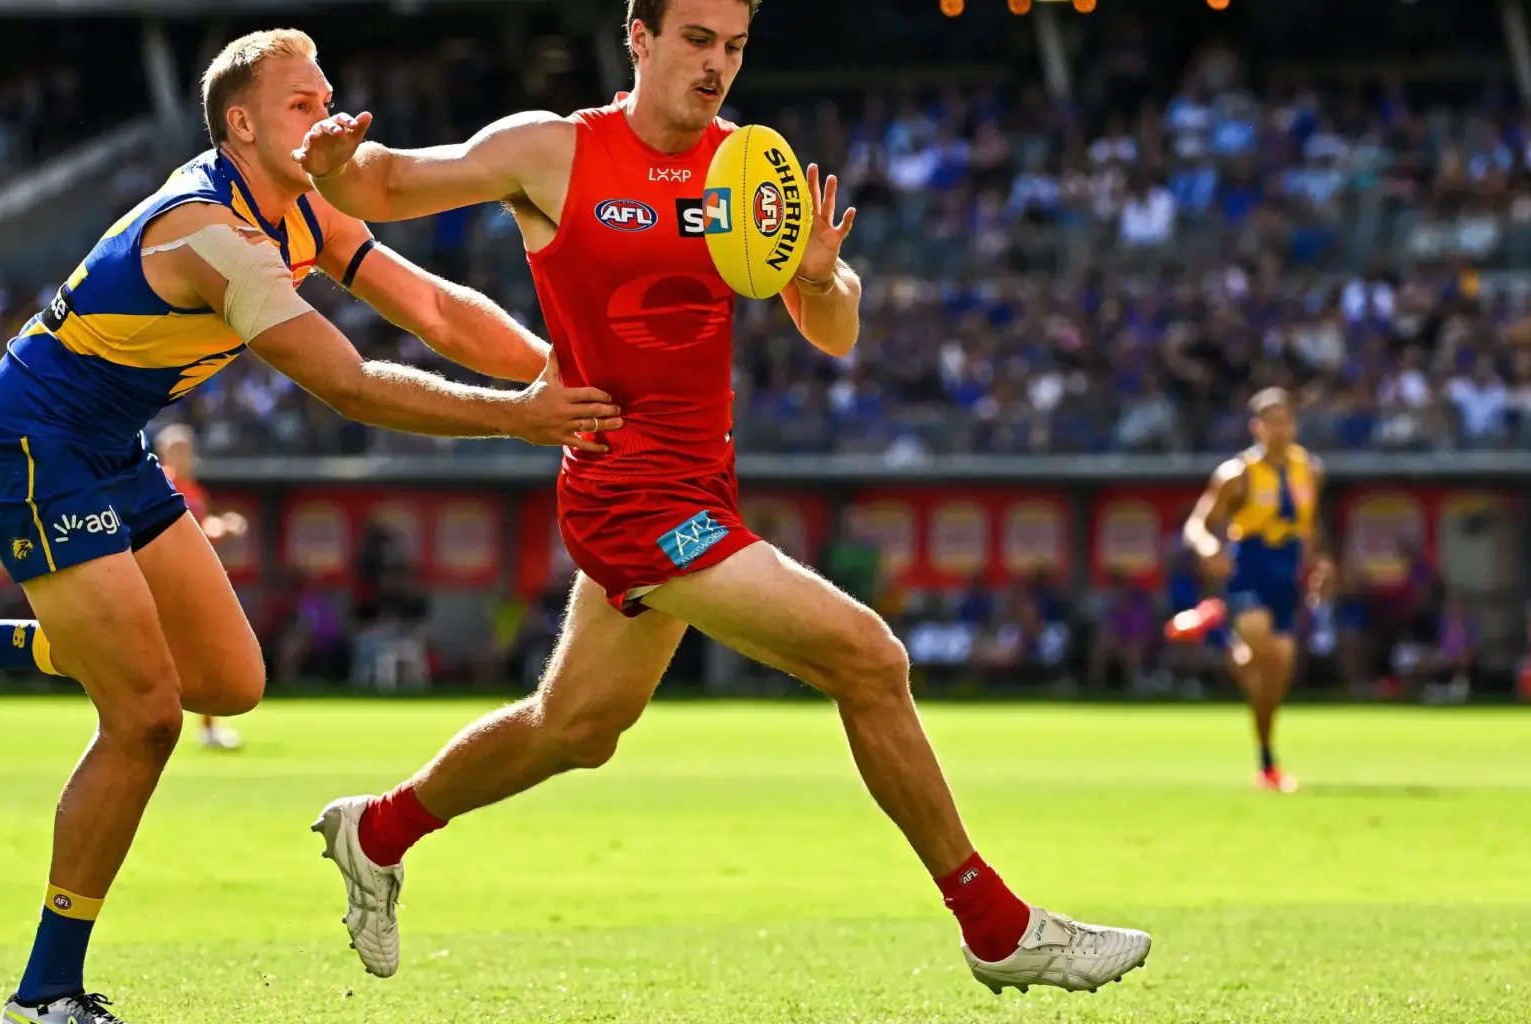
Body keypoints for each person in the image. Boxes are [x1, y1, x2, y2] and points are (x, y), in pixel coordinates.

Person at [296, 0, 1150, 996]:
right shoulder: (554, 151)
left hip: (699, 487)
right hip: (628, 496)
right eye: (697, 40)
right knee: (870, 659)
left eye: (735, 46)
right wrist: (333, 168)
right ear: (641, 37)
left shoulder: (747, 166)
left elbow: (833, 330)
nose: (717, 65)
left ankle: (378, 828)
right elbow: (391, 183)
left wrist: (826, 281)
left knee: (578, 728)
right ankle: (995, 923)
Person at [0, 29, 623, 1024]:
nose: (325, 114)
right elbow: (349, 384)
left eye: (328, 93)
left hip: (109, 442)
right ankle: (44, 992)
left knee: (229, 681)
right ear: (241, 124)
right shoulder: (211, 235)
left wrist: (561, 375)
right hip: (32, 446)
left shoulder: (303, 207)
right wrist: (523, 417)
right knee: (145, 712)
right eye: (299, 102)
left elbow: (437, 313)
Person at [1176, 387, 1330, 793]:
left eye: (1286, 421)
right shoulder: (1237, 474)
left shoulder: (1309, 470)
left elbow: (1311, 526)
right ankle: (1227, 633)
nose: (1280, 431)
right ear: (1256, 427)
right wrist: (1209, 547)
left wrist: (1319, 564)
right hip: (1250, 567)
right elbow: (1196, 524)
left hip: (1287, 569)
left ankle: (1266, 758)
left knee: (1278, 668)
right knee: (1265, 645)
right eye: (1271, 422)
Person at [151, 422, 248, 750]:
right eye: (179, 448)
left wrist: (223, 526)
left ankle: (206, 727)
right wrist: (221, 528)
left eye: (188, 448)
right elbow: (183, 530)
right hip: (166, 582)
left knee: (204, 653)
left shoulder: (191, 488)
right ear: (164, 451)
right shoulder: (159, 482)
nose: (186, 454)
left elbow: (199, 528)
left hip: (188, 581)